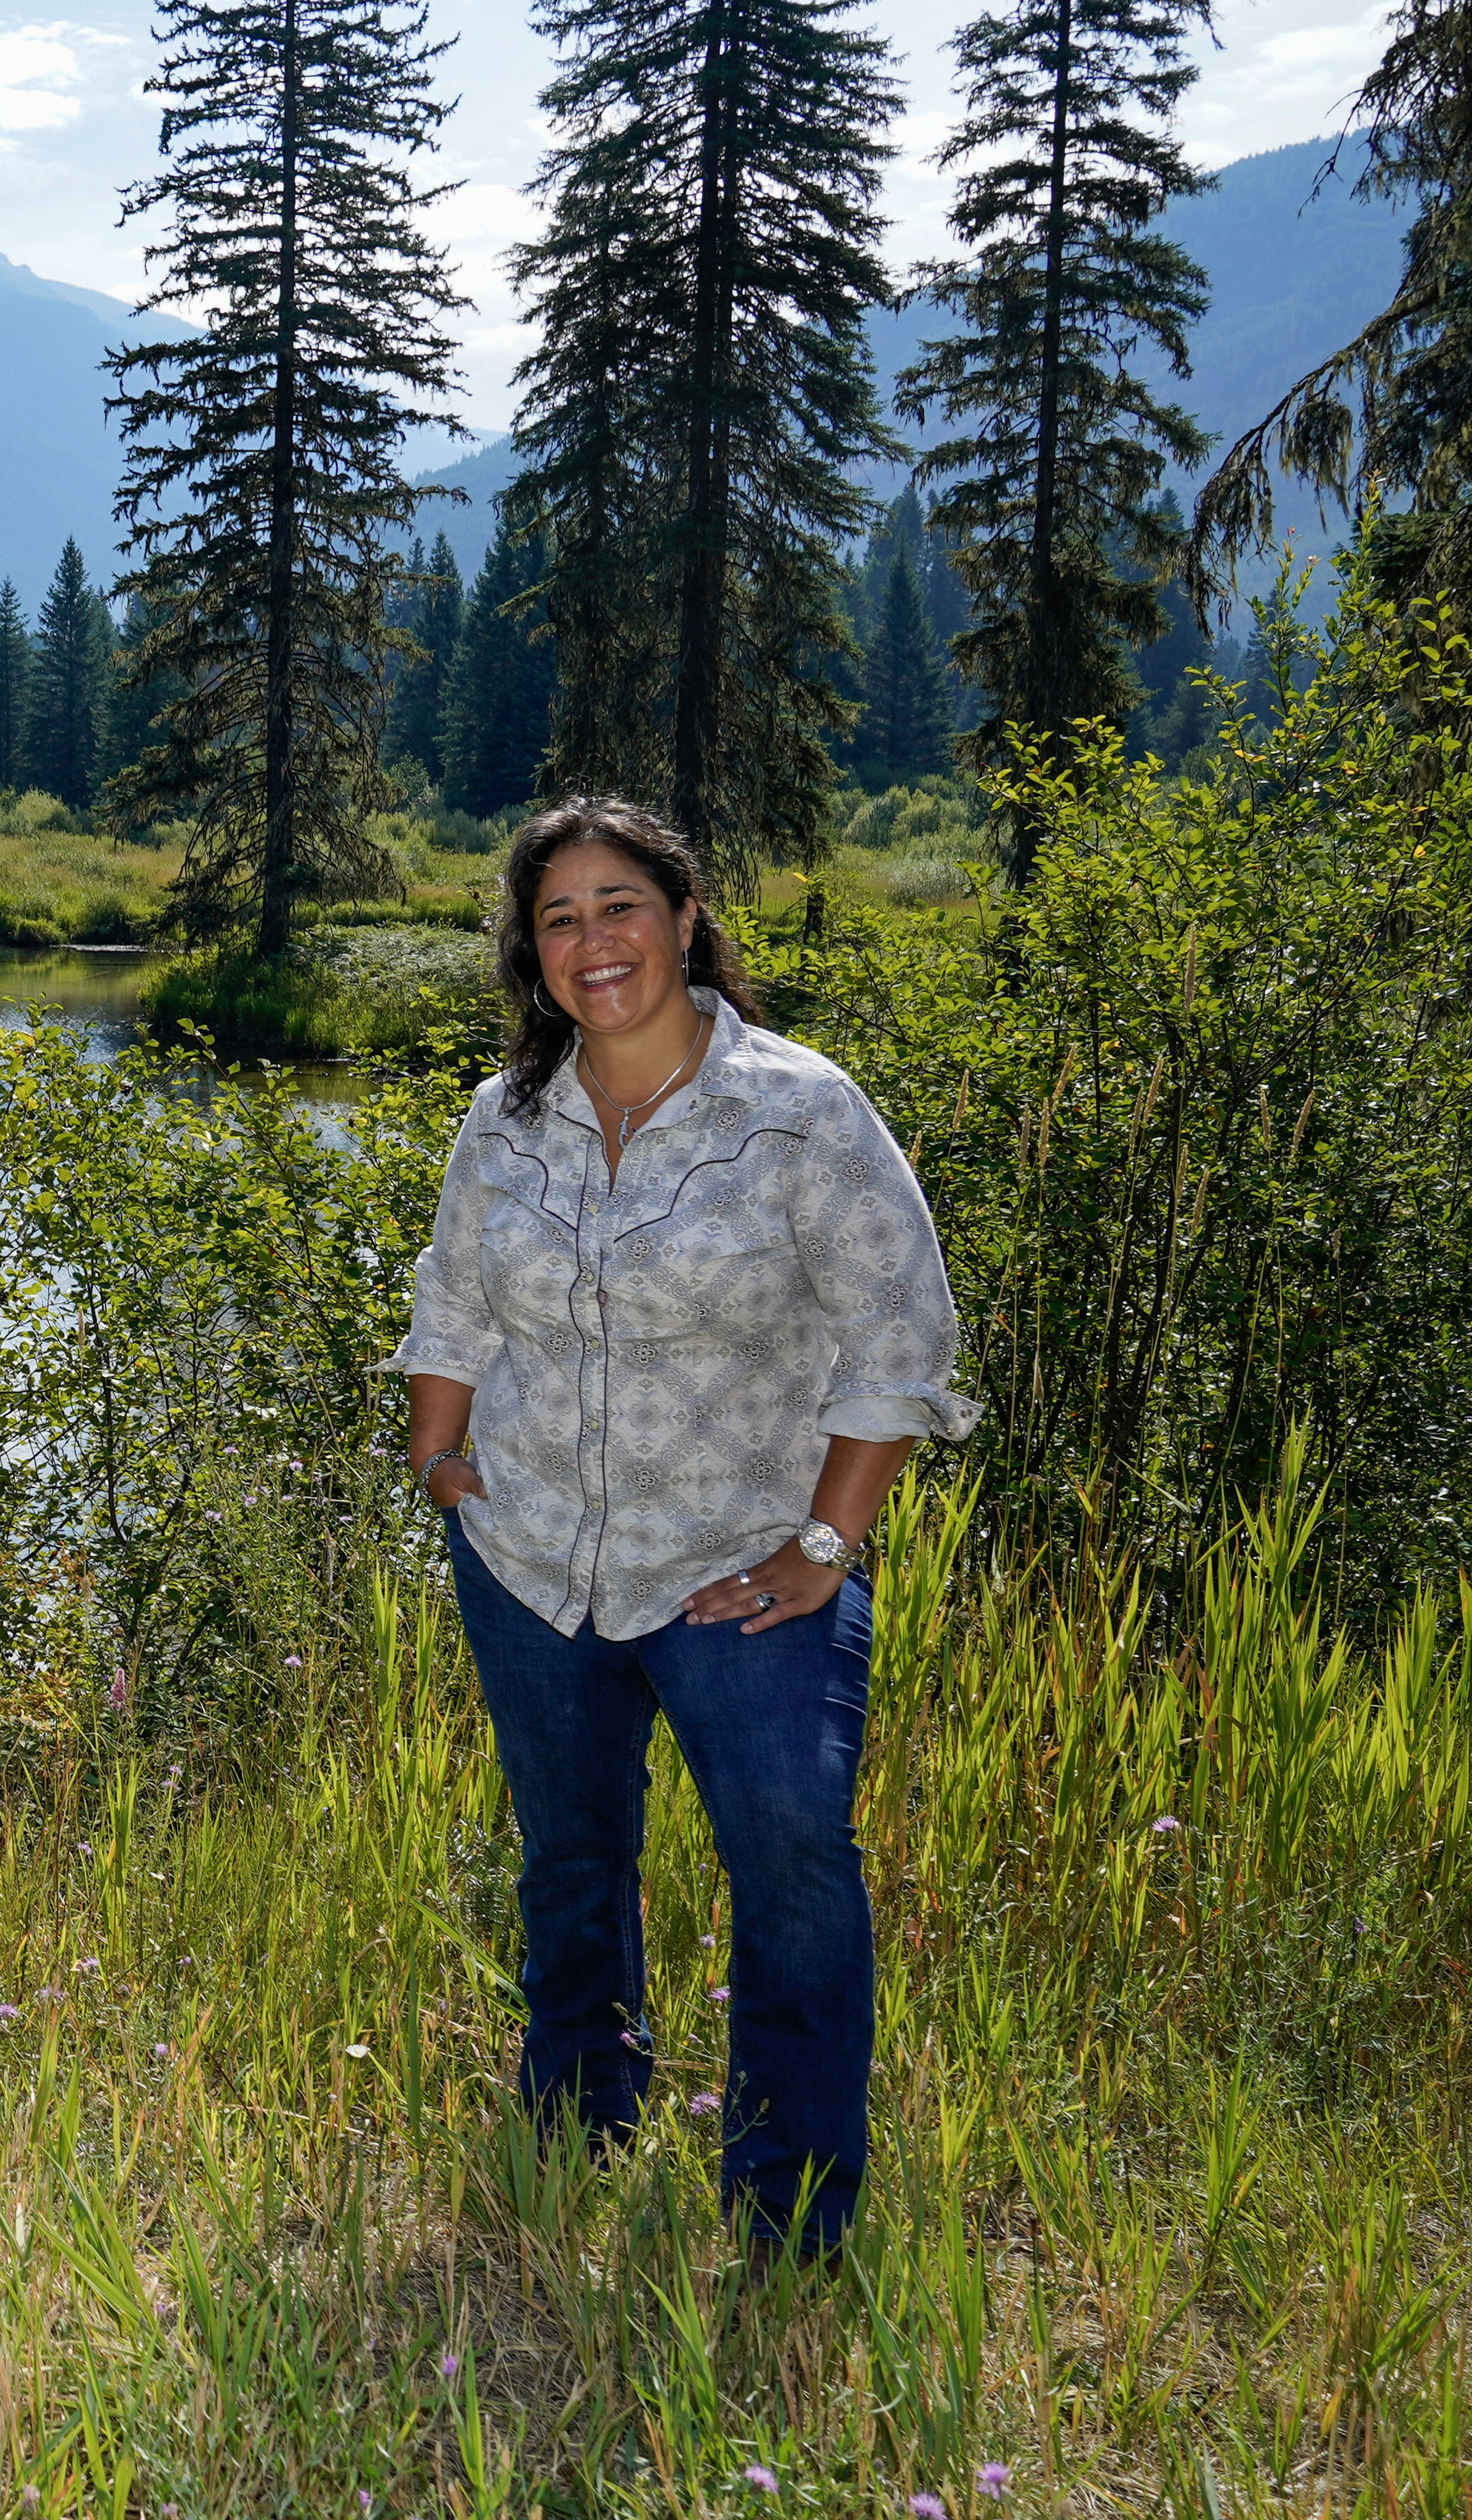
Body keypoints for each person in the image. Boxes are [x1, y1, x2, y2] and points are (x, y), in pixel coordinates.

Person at [391, 796, 976, 2255]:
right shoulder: (506, 1115)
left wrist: (826, 1544)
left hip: (743, 1582)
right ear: (533, 955)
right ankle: (578, 2116)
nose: (596, 941)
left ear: (686, 915)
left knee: (792, 1873)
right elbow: (452, 1297)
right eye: (561, 918)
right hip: (532, 1566)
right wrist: (439, 1451)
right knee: (569, 1858)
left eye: (621, 904)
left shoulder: (799, 1107)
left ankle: (788, 2214)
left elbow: (899, 1333)